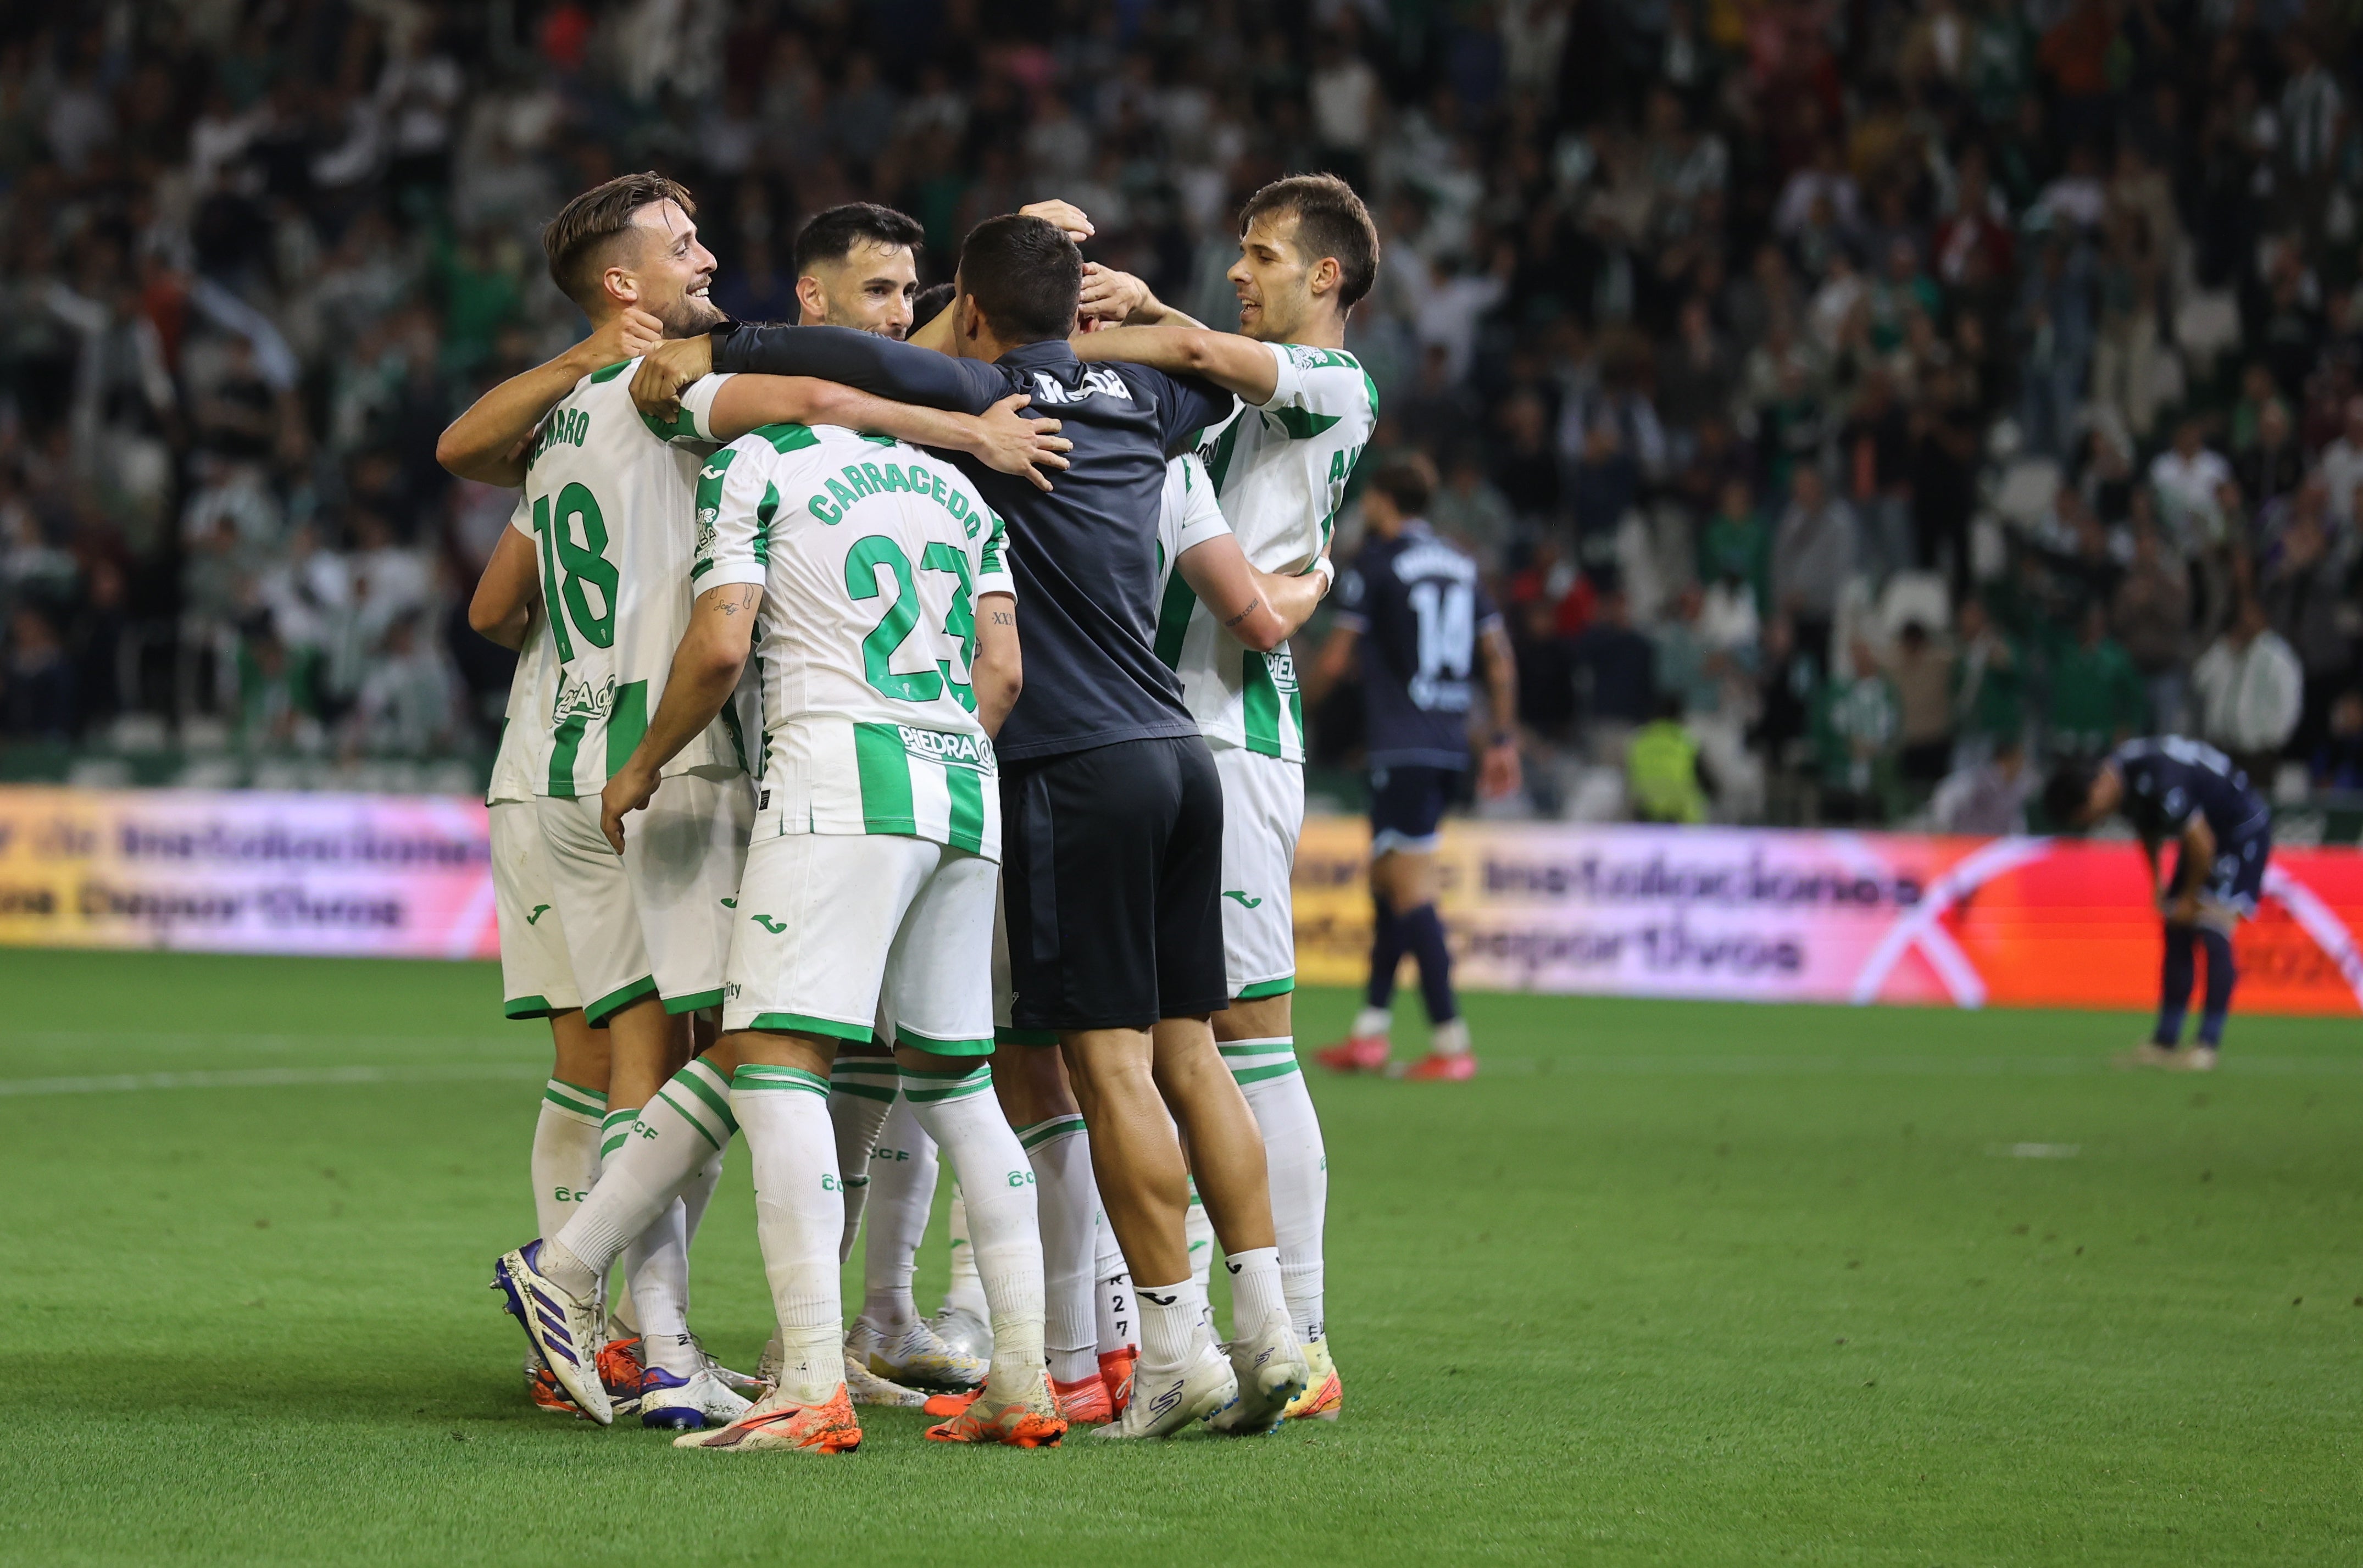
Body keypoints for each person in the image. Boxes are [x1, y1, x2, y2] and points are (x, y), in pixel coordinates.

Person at [633, 212, 1328, 1439]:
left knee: (1104, 1066)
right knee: (1192, 1054)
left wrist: (711, 332)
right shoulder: (1149, 405)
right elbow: (1199, 375)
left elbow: (850, 361)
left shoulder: (985, 392)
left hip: (1072, 768)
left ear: (974, 309)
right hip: (1182, 760)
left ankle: (1169, 1352)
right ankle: (1271, 1329)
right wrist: (1142, 313)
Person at [458, 174, 1066, 1430]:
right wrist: (976, 416)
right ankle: (651, 1336)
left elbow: (484, 577)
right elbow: (825, 393)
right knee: (719, 1053)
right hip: (705, 759)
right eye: (683, 244)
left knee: (640, 1048)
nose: (708, 256)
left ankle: (616, 1307)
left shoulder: (572, 406)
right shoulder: (690, 396)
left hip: (560, 742)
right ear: (623, 282)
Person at [609, 418, 1049, 1452]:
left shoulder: (761, 459)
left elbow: (722, 640)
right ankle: (1022, 1375)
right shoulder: (956, 487)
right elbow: (1005, 673)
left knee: (769, 1058)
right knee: (958, 1084)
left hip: (837, 773)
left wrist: (643, 764)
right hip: (960, 783)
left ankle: (806, 1377)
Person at [1065, 172, 1380, 1423]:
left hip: (1232, 737)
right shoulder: (1218, 411)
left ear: (1327, 279)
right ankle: (1176, 1330)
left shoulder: (1334, 387)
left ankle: (1298, 1333)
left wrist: (1131, 308)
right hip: (1153, 732)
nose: (1239, 270)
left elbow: (1198, 345)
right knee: (1157, 1047)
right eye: (1237, 250)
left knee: (1247, 1039)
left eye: (1262, 253)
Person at [1307, 458, 1519, 1081]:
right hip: (1448, 743)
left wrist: (1294, 703)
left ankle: (1451, 1042)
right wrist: (1502, 737)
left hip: (1400, 746)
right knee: (1385, 881)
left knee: (1408, 890)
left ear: (1380, 501)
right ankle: (1370, 1031)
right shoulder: (1462, 564)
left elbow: (1338, 656)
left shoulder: (1377, 564)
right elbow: (1500, 662)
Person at [2043, 738, 2275, 1071]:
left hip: (2239, 830)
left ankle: (2206, 1046)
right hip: (2204, 837)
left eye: (2088, 814)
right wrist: (2158, 884)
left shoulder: (2161, 779)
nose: (2093, 820)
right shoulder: (2123, 780)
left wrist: (2191, 898)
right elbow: (2147, 826)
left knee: (2213, 928)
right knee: (2177, 930)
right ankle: (2165, 1042)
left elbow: (2202, 843)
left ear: (2096, 789)